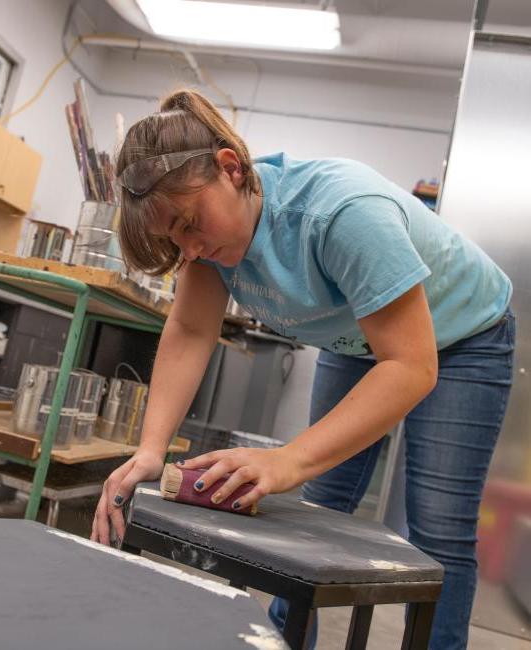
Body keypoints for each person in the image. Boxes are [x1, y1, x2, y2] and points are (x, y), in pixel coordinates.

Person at [90, 89, 514, 650]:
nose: (190, 248)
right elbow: (192, 331)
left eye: (191, 223)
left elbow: (411, 366)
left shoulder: (339, 213)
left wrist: (287, 458)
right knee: (315, 509)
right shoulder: (207, 246)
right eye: (175, 240)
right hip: (362, 338)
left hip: (464, 337)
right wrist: (150, 448)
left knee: (437, 531)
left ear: (231, 169)